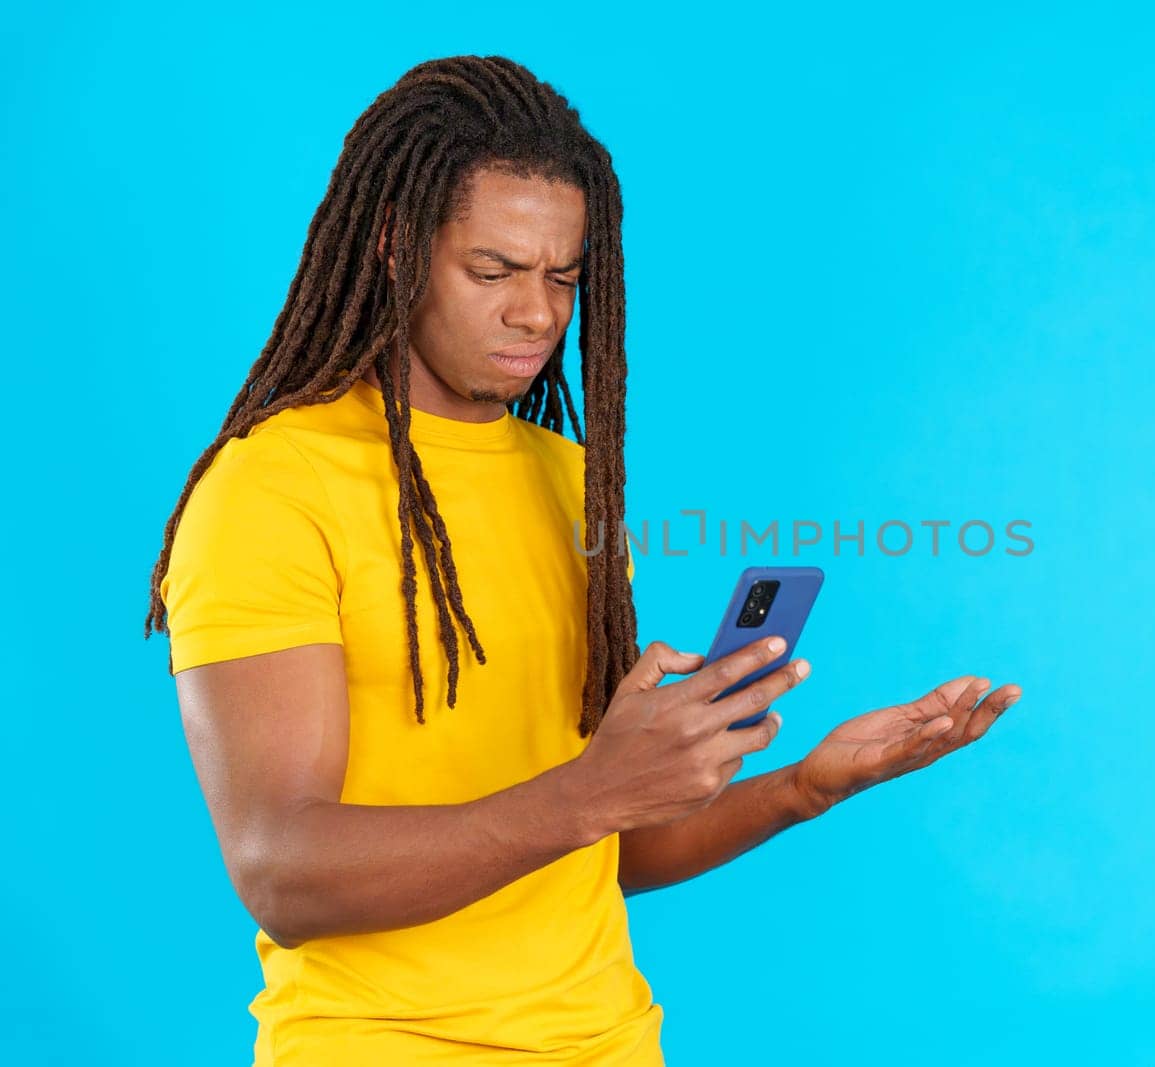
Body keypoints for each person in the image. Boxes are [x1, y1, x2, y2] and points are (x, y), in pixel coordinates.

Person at [144, 54, 1022, 1066]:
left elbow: (589, 850)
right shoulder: (270, 491)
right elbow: (281, 873)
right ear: (392, 247)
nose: (538, 313)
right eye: (492, 271)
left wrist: (806, 785)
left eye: (562, 276)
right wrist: (593, 789)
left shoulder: (570, 479)